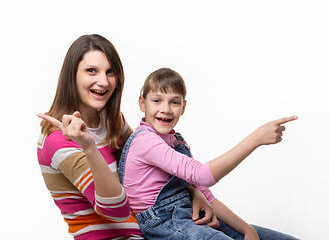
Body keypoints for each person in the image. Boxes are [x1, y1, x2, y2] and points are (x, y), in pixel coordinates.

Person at [37, 35, 218, 240]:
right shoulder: (57, 139)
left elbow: (152, 171)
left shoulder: (113, 121)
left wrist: (195, 194)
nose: (103, 81)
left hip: (158, 230)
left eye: (110, 72)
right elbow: (116, 211)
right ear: (72, 75)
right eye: (91, 71)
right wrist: (89, 148)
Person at [118, 67, 299, 240]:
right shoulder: (144, 141)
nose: (166, 109)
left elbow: (206, 194)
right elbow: (202, 175)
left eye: (174, 102)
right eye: (157, 101)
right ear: (142, 103)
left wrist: (246, 229)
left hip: (189, 215)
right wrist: (255, 139)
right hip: (162, 223)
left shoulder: (177, 141)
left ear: (183, 107)